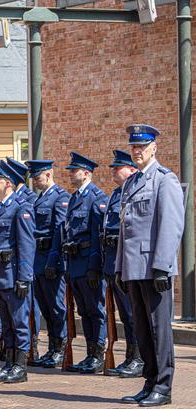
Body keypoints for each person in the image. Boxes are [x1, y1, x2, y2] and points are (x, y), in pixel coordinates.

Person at [116, 125, 184, 406]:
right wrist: (120, 267)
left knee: (159, 331)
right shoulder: (131, 183)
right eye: (133, 147)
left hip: (153, 269)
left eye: (142, 146)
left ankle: (164, 387)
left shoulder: (164, 179)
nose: (137, 151)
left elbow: (171, 225)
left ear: (154, 147)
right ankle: (149, 381)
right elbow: (125, 230)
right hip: (133, 268)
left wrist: (162, 267)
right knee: (142, 330)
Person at [0, 160, 36, 383]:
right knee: (6, 323)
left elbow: (26, 245)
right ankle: (9, 363)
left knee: (19, 322)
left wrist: (24, 278)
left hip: (14, 274)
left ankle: (20, 367)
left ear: (7, 183)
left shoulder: (21, 206)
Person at [62, 152, 109, 374]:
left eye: (74, 170)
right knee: (84, 311)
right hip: (75, 263)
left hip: (89, 263)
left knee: (95, 310)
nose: (71, 174)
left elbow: (98, 236)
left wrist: (94, 267)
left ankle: (99, 354)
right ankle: (90, 353)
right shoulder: (74, 198)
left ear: (86, 173)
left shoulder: (97, 198)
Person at [101, 150, 144, 378]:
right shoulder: (116, 194)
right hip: (113, 262)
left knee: (133, 313)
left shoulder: (133, 193)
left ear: (132, 170)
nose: (114, 171)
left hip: (127, 263)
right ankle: (130, 356)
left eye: (118, 168)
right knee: (125, 315)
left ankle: (139, 358)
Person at [25, 160, 70, 368]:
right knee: (44, 306)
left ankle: (61, 348)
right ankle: (52, 347)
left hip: (50, 260)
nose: (35, 181)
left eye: (38, 177)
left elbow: (59, 233)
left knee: (56, 307)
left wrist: (53, 261)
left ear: (49, 174)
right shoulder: (37, 199)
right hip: (36, 260)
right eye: (33, 178)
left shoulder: (60, 198)